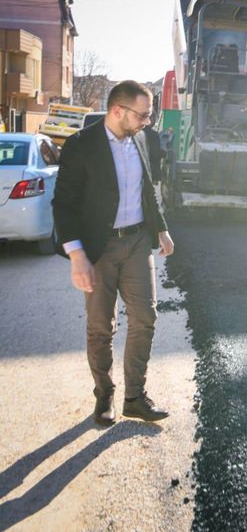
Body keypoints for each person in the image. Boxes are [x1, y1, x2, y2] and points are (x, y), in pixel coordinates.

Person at [53, 80, 175, 427]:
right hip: (99, 248)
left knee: (145, 317)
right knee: (100, 327)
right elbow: (63, 204)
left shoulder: (142, 139)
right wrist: (77, 256)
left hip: (137, 242)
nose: (147, 122)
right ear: (118, 110)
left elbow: (147, 189)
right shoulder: (81, 145)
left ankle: (135, 397)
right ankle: (104, 393)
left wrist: (161, 228)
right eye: (143, 115)